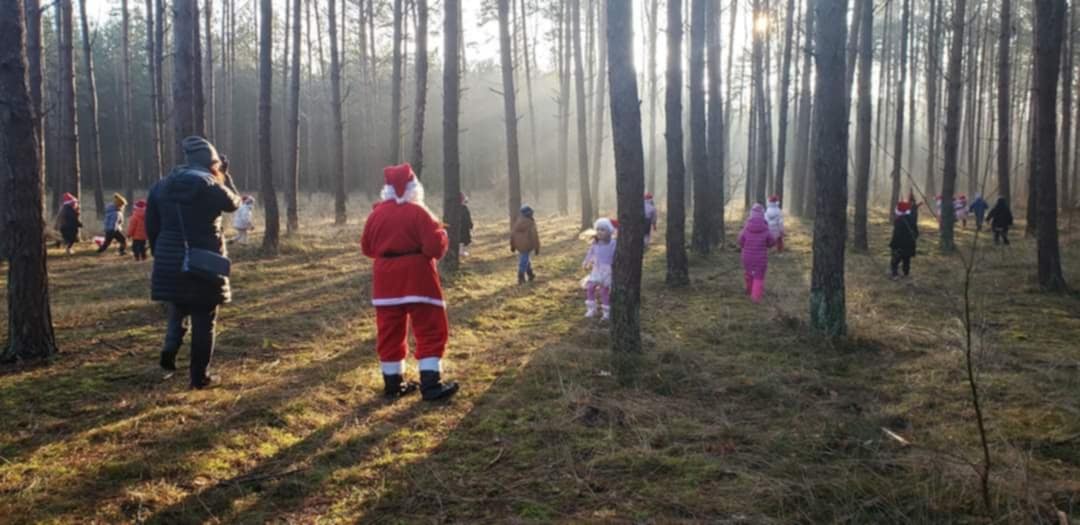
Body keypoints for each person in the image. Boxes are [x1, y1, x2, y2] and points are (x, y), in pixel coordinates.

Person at [147, 136, 242, 389]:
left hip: (169, 260)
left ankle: (169, 349)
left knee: (178, 306)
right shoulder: (211, 185)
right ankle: (199, 377)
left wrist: (163, 256)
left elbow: (152, 227)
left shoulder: (161, 186)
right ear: (210, 162)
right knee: (204, 318)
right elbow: (235, 203)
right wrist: (225, 175)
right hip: (204, 260)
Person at [362, 163, 459, 401]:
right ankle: (431, 384)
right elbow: (434, 248)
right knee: (430, 328)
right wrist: (443, 236)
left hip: (385, 284)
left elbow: (367, 248)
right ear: (413, 187)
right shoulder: (420, 212)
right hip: (417, 280)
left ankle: (393, 383)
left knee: (389, 332)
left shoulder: (376, 214)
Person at [738, 204, 776, 303]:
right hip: (760, 258)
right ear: (763, 215)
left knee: (749, 273)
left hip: (747, 257)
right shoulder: (765, 229)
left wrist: (744, 245)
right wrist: (768, 244)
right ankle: (755, 297)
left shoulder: (746, 228)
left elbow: (740, 240)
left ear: (751, 215)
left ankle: (749, 290)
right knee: (758, 276)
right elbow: (771, 242)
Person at [582, 218, 617, 320]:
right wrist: (586, 262)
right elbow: (590, 253)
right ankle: (591, 309)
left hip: (608, 271)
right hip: (596, 269)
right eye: (598, 230)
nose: (600, 232)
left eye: (603, 230)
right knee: (590, 287)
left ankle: (606, 312)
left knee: (603, 291)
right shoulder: (595, 243)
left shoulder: (613, 243)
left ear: (609, 231)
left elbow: (617, 255)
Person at [889, 200, 919, 280]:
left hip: (899, 245)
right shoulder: (912, 219)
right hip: (909, 245)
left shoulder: (898, 221)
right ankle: (906, 273)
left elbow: (896, 235)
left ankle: (895, 274)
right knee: (907, 260)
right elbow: (916, 233)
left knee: (895, 260)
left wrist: (893, 244)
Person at [510, 205, 540, 284]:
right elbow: (534, 237)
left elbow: (512, 235)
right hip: (527, 245)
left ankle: (530, 274)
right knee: (524, 260)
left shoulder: (517, 222)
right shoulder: (531, 223)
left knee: (525, 258)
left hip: (519, 246)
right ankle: (521, 277)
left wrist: (512, 246)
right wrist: (537, 248)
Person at [459, 193, 474, 257]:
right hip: (463, 228)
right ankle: (461, 252)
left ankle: (460, 251)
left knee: (460, 240)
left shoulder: (452, 209)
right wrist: (470, 225)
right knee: (462, 240)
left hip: (457, 228)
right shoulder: (464, 208)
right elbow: (467, 218)